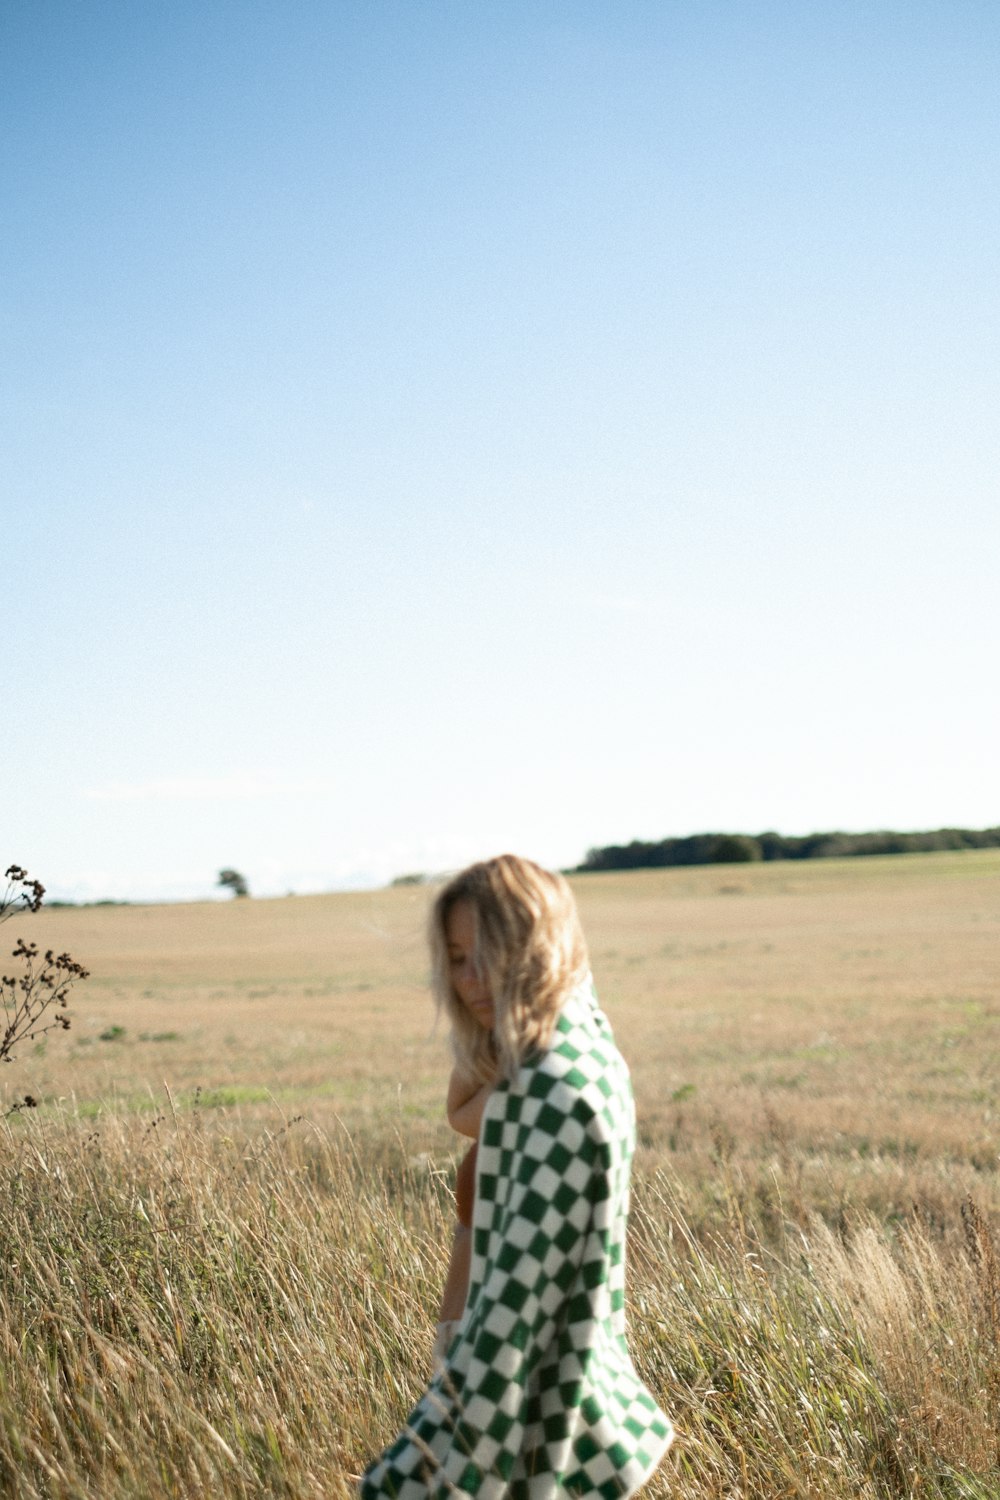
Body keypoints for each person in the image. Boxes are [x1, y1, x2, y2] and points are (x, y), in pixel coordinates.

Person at [359, 854, 673, 1498]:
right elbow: (461, 1113)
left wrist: (412, 1476)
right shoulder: (553, 1056)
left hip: (495, 1348)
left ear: (536, 950)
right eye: (454, 956)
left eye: (490, 952)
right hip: (472, 1324)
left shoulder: (550, 1091)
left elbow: (513, 1329)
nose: (469, 978)